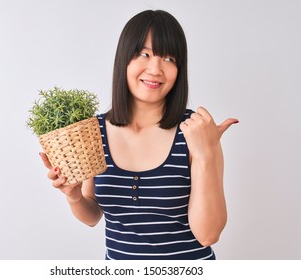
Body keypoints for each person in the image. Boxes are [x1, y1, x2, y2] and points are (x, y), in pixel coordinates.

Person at [39, 10, 238, 260]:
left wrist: (205, 154)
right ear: (124, 59)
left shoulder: (195, 131)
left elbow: (208, 235)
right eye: (144, 54)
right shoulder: (94, 130)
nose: (155, 69)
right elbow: (92, 216)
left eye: (169, 58)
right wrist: (74, 196)